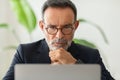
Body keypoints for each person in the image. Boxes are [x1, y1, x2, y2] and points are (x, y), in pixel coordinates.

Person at [3, 0, 114, 80]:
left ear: (75, 26)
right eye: (52, 28)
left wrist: (74, 65)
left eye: (66, 27)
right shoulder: (25, 53)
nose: (59, 36)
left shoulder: (90, 55)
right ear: (42, 26)